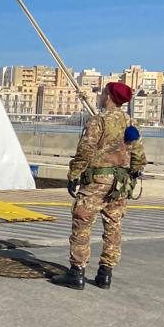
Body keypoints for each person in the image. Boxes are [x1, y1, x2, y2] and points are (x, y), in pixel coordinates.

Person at [51, 81, 147, 290]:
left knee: (82, 222)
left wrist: (74, 174)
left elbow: (85, 150)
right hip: (120, 185)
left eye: (103, 92)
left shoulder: (98, 121)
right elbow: (138, 154)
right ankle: (105, 274)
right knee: (113, 226)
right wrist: (133, 172)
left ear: (109, 97)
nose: (101, 96)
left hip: (97, 183)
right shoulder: (131, 123)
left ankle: (77, 272)